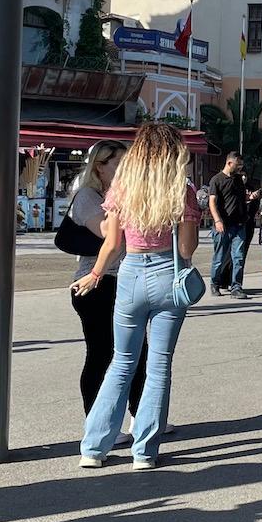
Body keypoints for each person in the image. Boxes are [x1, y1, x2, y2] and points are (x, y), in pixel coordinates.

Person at [72, 121, 202, 471]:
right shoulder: (182, 190)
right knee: (158, 365)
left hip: (130, 274)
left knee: (121, 362)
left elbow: (113, 244)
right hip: (168, 276)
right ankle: (144, 451)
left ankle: (94, 448)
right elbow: (187, 248)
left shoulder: (122, 188)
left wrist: (94, 275)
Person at [67, 140, 148, 423]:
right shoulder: (87, 196)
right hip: (94, 283)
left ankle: (140, 415)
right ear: (99, 167)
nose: (125, 170)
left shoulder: (120, 194)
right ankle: (97, 423)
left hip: (123, 279)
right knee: (101, 354)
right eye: (118, 164)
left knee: (138, 350)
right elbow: (106, 232)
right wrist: (122, 200)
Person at [208, 152, 249, 300]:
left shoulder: (238, 179)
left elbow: (241, 198)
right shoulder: (216, 180)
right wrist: (218, 220)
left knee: (238, 257)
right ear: (230, 163)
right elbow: (212, 202)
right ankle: (214, 283)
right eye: (238, 165)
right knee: (219, 257)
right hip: (223, 225)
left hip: (239, 224)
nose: (240, 167)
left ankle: (236, 286)